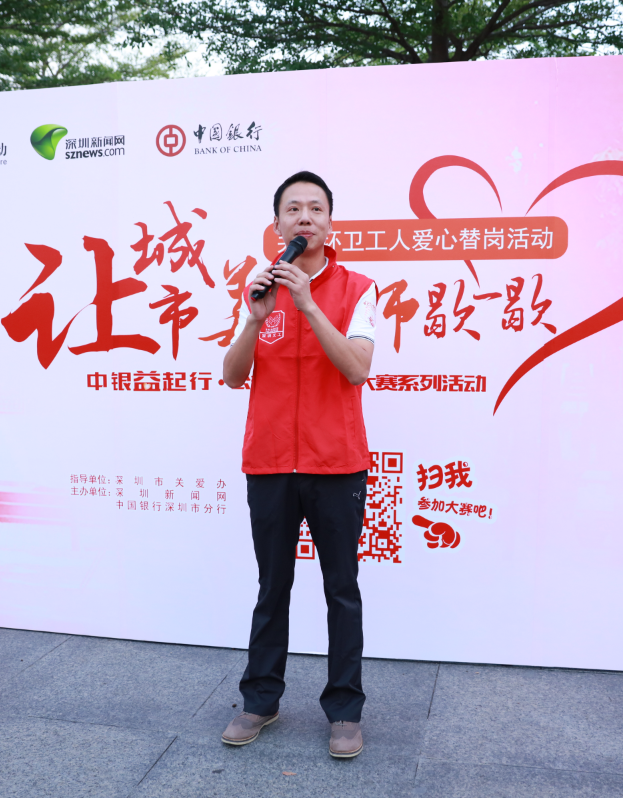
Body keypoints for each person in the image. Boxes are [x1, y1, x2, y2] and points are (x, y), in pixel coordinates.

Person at [220, 171, 377, 758]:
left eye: (315, 208)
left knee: (341, 589)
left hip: (335, 463)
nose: (304, 217)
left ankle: (345, 710)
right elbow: (233, 375)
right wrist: (254, 319)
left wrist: (308, 303)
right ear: (278, 224)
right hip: (269, 464)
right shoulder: (259, 288)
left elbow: (356, 368)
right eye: (293, 209)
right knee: (272, 586)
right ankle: (260, 699)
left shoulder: (359, 289)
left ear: (330, 223)